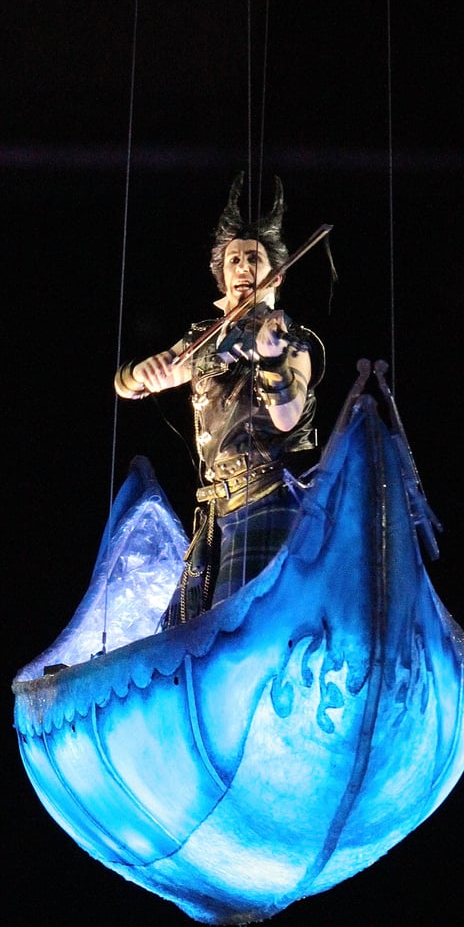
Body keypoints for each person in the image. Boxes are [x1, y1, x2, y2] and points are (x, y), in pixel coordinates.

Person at [114, 175, 324, 626]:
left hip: (270, 499)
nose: (243, 267)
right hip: (216, 510)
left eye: (254, 258)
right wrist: (138, 374)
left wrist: (270, 358)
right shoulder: (202, 342)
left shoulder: (293, 341)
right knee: (178, 635)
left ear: (276, 275)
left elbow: (287, 418)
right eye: (234, 260)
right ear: (223, 277)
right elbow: (130, 383)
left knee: (236, 628)